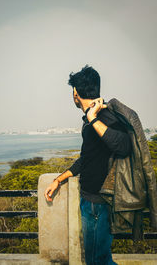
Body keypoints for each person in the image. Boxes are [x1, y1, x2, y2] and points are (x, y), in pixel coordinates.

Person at [44, 65, 132, 265]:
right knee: (98, 258)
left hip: (98, 204)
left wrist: (93, 119)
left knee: (97, 261)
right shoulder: (91, 121)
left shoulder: (105, 116)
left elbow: (124, 146)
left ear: (75, 93)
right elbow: (86, 158)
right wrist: (58, 180)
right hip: (92, 202)